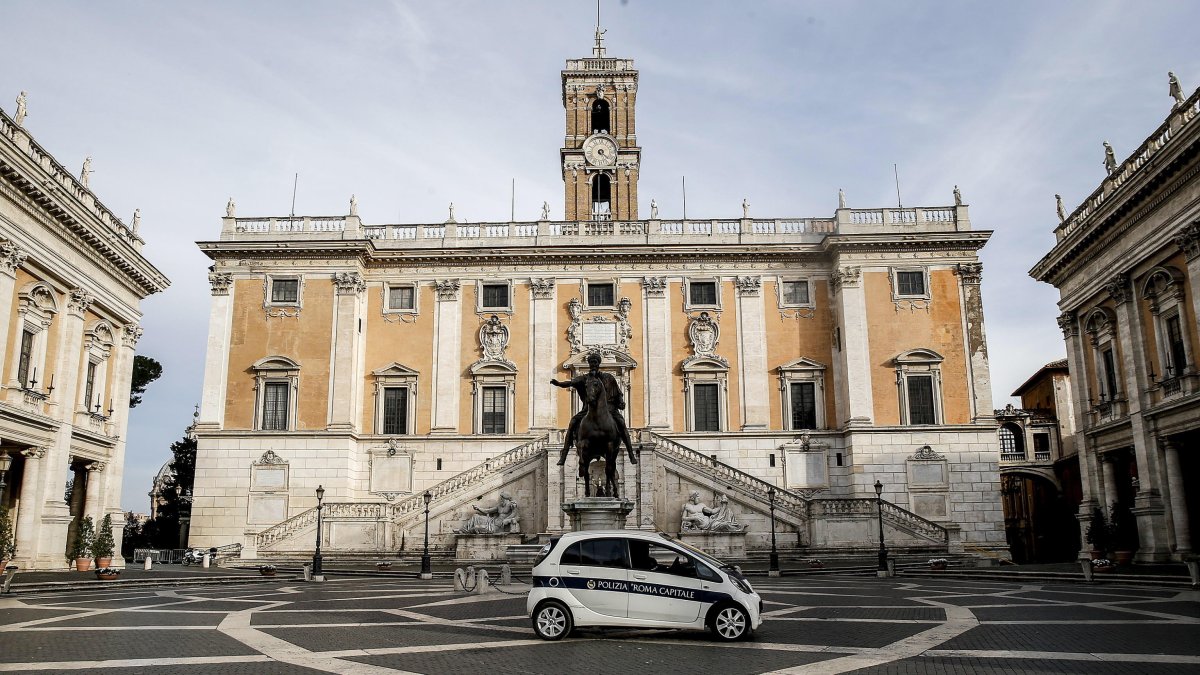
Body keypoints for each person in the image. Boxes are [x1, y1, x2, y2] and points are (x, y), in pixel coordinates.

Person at [551, 352, 635, 465]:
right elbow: (571, 382)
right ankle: (564, 455)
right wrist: (559, 383)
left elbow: (618, 392)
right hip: (588, 409)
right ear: (589, 364)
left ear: (599, 363)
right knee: (572, 423)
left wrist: (620, 402)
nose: (593, 364)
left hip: (610, 409)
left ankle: (631, 454)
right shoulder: (584, 378)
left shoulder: (608, 377)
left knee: (621, 424)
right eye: (591, 362)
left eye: (595, 362)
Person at [455, 491, 520, 534]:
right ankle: (463, 529)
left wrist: (507, 520)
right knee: (475, 516)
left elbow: (516, 516)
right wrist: (478, 508)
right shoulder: (499, 506)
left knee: (477, 527)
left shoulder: (512, 505)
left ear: (506, 498)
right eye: (501, 498)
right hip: (492, 521)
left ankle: (465, 532)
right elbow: (488, 511)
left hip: (497, 526)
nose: (501, 500)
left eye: (502, 498)